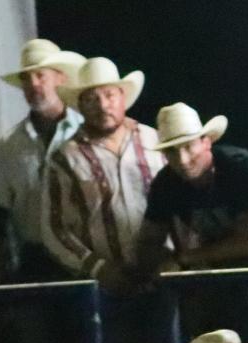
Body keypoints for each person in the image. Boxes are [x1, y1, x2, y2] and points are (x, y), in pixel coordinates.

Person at [135, 103, 248, 340]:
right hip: (202, 284)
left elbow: (247, 243)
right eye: (172, 151)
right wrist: (161, 265)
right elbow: (147, 242)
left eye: (188, 146)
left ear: (206, 141)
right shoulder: (165, 183)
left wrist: (182, 259)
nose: (183, 160)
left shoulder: (242, 167)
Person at [42, 57, 160, 300]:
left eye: (109, 95)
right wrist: (97, 267)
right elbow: (54, 227)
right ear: (81, 106)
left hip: (162, 272)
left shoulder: (155, 141)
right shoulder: (65, 158)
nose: (102, 105)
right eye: (91, 98)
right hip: (106, 285)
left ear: (122, 97)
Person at [0, 39, 83, 284]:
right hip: (35, 261)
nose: (33, 85)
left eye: (40, 76)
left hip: (85, 255)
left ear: (60, 78)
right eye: (27, 79)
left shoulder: (86, 134)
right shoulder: (9, 145)